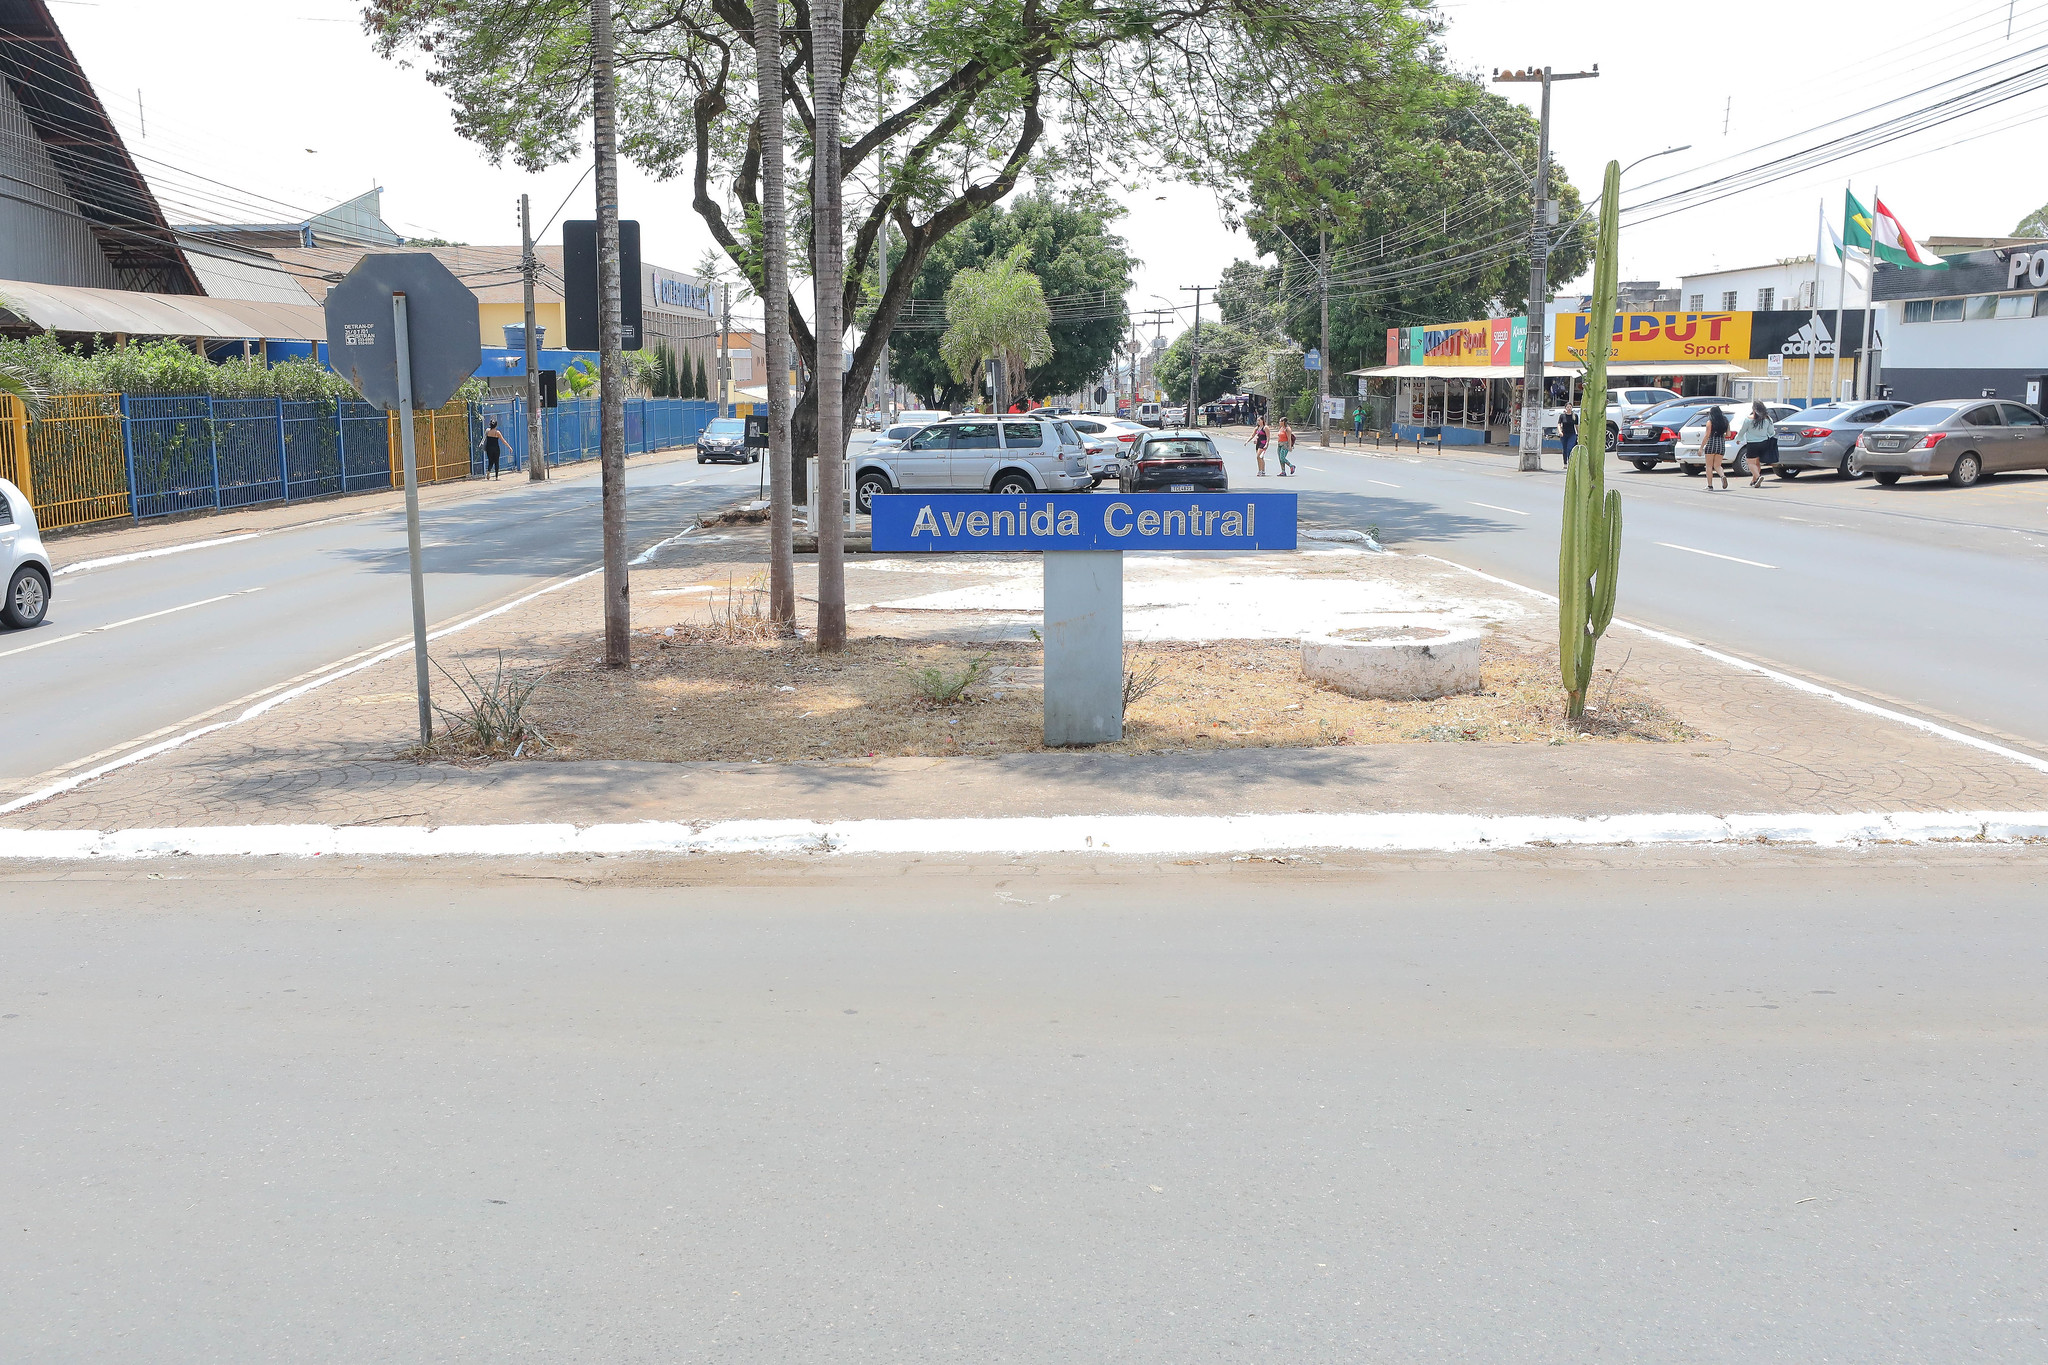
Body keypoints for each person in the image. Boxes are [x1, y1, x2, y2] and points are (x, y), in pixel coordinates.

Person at [1735, 400, 1778, 488]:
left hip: (1752, 444)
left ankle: (1758, 477)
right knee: (1757, 462)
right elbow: (1771, 432)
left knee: (1750, 462)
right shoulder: (1768, 419)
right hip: (1764, 443)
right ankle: (1754, 480)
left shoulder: (1748, 419)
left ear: (1754, 409)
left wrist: (1738, 439)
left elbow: (1742, 431)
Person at [1702, 404, 1730, 490]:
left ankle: (1710, 485)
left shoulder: (1710, 422)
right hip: (1721, 443)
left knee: (1709, 466)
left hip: (1711, 443)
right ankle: (1722, 476)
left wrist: (1701, 447)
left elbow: (1707, 435)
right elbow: (1728, 434)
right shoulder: (1725, 421)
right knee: (1717, 465)